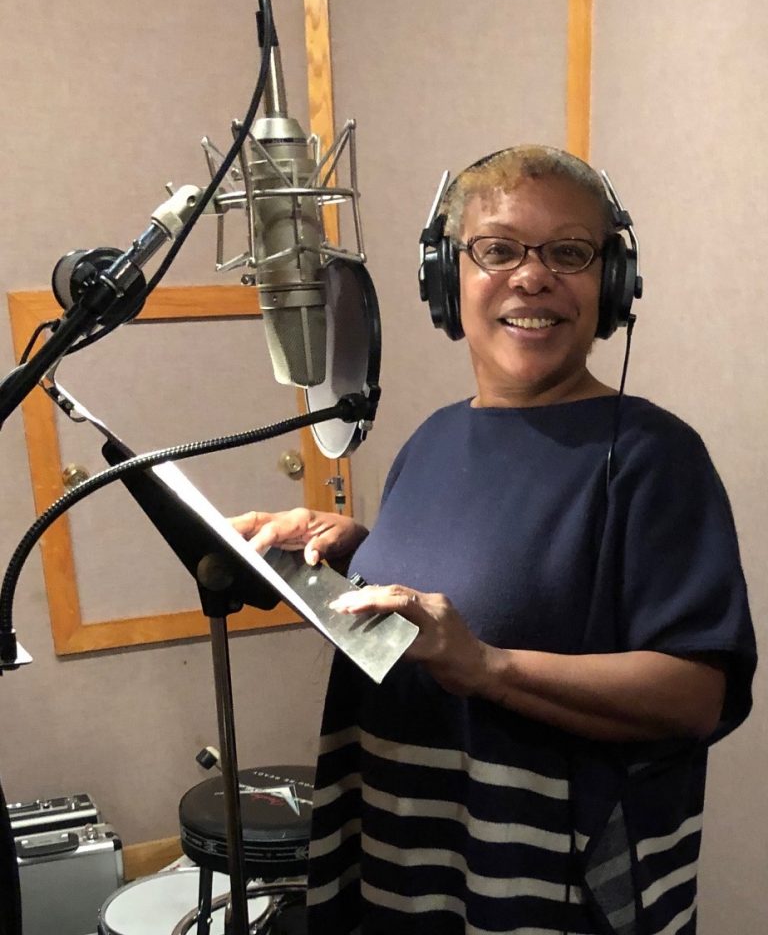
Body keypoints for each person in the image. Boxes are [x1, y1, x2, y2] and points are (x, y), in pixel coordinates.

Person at [233, 145, 756, 935]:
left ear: (613, 283)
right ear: (447, 279)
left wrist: (487, 668)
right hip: (407, 869)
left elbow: (694, 695)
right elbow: (473, 588)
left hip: (539, 899)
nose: (532, 276)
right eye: (498, 249)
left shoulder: (654, 456)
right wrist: (349, 550)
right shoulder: (431, 440)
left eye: (569, 253)